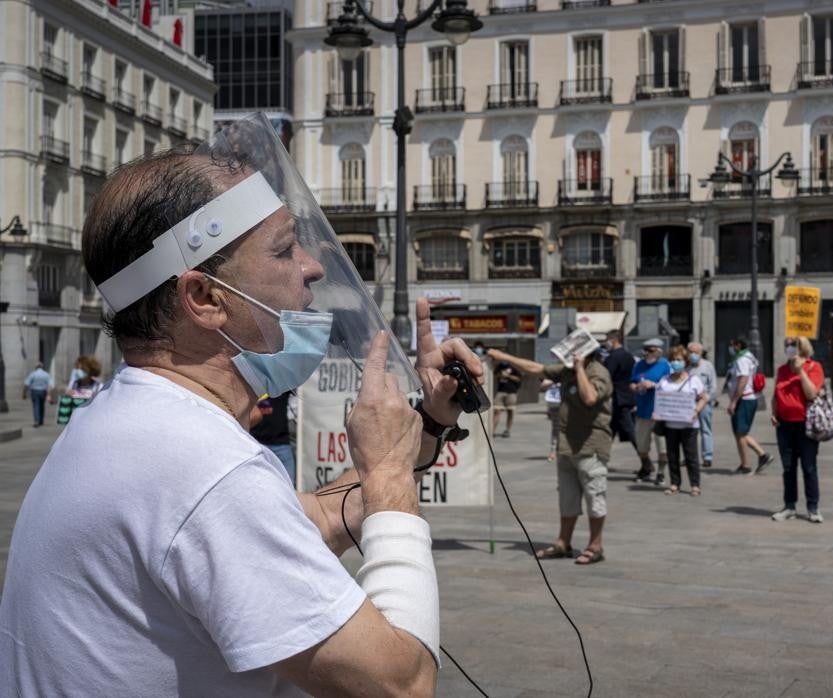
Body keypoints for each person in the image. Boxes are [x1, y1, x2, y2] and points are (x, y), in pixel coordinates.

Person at [0, 121, 483, 694]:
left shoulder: (132, 417)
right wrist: (389, 474)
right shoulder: (200, 467)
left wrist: (423, 425)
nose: (313, 266)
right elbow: (400, 685)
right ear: (205, 299)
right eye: (284, 249)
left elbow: (316, 520)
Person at [487, 346, 613, 565]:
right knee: (567, 498)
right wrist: (504, 357)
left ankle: (595, 545)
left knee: (595, 496)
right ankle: (563, 542)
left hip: (590, 445)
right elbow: (537, 369)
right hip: (566, 446)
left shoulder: (597, 372)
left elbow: (590, 397)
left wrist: (580, 368)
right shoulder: (567, 370)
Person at [770, 337, 825, 523]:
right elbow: (775, 394)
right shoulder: (782, 369)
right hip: (784, 425)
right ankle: (789, 506)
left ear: (802, 347)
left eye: (792, 344)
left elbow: (811, 393)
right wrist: (773, 412)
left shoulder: (814, 367)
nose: (788, 348)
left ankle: (813, 507)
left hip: (806, 424)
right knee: (788, 468)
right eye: (786, 344)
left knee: (809, 467)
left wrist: (800, 371)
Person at [655, 345, 709, 496]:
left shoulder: (694, 380)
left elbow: (704, 398)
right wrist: (656, 413)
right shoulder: (664, 381)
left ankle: (695, 485)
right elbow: (659, 400)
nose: (675, 362)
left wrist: (696, 410)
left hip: (689, 425)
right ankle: (674, 483)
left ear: (685, 362)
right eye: (672, 360)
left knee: (691, 455)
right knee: (672, 455)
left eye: (678, 360)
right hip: (670, 425)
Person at [726, 336, 773, 474]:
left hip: (744, 399)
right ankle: (748, 461)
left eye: (732, 345)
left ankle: (755, 460)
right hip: (744, 399)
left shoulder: (742, 360)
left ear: (738, 345)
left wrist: (734, 401)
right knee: (739, 433)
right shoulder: (748, 357)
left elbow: (743, 380)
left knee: (741, 433)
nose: (731, 348)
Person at [630, 338, 671, 485]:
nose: (647, 353)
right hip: (642, 410)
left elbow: (671, 385)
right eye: (646, 350)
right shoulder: (639, 365)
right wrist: (634, 386)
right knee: (641, 445)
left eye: (651, 350)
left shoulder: (665, 365)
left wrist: (654, 385)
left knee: (662, 446)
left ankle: (661, 473)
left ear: (659, 351)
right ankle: (646, 467)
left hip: (660, 412)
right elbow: (632, 381)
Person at [602, 329, 638, 449]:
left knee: (629, 429)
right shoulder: (628, 355)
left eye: (607, 340)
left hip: (618, 399)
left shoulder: (613, 357)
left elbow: (606, 376)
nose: (605, 343)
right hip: (626, 396)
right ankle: (602, 457)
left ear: (613, 340)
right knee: (610, 430)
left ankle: (645, 459)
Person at [249, 392, 296, 483]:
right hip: (257, 443)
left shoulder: (280, 386)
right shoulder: (252, 387)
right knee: (257, 483)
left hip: (281, 443)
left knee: (289, 485)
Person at [687, 341, 718, 469]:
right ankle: (688, 456)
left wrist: (707, 398)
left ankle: (707, 456)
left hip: (704, 403)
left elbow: (713, 386)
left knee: (706, 429)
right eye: (691, 352)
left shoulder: (708, 366)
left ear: (701, 353)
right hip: (689, 403)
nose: (693, 355)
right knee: (689, 431)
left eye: (696, 352)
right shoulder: (685, 367)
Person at [492, 354, 523, 437]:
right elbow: (495, 375)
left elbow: (518, 379)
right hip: (501, 391)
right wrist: (501, 375)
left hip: (511, 392)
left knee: (510, 412)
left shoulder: (514, 367)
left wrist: (508, 376)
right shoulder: (500, 366)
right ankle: (492, 431)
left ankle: (507, 430)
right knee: (497, 411)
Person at [21, 362, 52, 427]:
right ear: (42, 367)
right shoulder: (46, 374)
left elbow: (26, 384)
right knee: (42, 406)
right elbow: (49, 385)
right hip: (43, 391)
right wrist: (48, 394)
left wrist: (24, 393)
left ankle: (36, 421)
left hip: (34, 391)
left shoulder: (33, 374)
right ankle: (41, 420)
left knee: (36, 406)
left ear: (36, 367)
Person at [540, 377, 562, 462]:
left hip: (568, 404)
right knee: (556, 428)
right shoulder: (555, 373)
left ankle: (563, 450)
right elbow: (543, 385)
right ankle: (553, 451)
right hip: (554, 404)